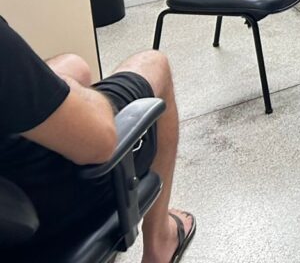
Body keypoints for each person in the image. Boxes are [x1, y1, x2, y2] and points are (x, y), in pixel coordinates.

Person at [0, 17, 194, 263]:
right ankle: (160, 244)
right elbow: (102, 143)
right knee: (155, 64)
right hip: (40, 208)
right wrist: (66, 88)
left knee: (74, 65)